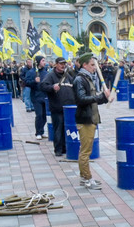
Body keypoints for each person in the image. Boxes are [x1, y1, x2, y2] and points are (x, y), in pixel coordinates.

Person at [73, 52, 110, 190]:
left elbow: (94, 100)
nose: (95, 68)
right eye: (92, 65)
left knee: (86, 150)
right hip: (85, 120)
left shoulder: (87, 78)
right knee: (85, 151)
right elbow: (81, 99)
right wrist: (100, 97)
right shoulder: (80, 80)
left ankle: (85, 177)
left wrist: (105, 97)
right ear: (85, 65)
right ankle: (86, 179)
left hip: (91, 118)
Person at [40, 57, 74, 156]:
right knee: (58, 129)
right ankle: (58, 149)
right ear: (56, 64)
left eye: (64, 64)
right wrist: (52, 87)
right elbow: (43, 86)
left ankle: (64, 148)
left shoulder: (67, 75)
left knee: (66, 129)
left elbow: (74, 84)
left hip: (68, 108)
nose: (63, 66)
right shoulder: (50, 75)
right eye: (60, 64)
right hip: (57, 107)